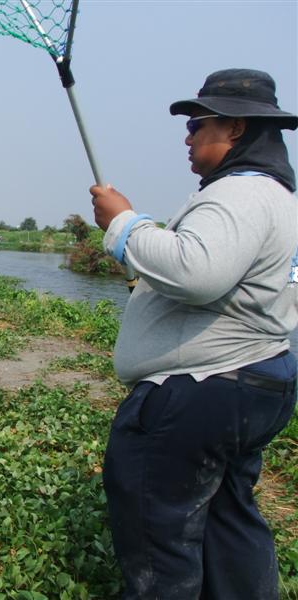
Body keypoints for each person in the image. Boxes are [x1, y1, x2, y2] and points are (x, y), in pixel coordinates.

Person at [90, 68, 298, 599]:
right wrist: (140, 243)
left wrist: (124, 224)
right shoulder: (277, 197)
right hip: (254, 381)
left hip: (202, 388)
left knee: (160, 536)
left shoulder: (239, 195)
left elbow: (196, 272)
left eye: (197, 124)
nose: (187, 136)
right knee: (229, 519)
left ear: (233, 128)